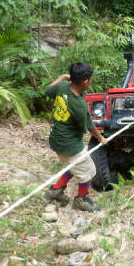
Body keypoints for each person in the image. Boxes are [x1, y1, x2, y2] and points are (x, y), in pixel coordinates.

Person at [44, 62, 108, 212]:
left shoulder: (62, 87)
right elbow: (88, 127)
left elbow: (48, 90)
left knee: (76, 165)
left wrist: (62, 77)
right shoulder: (79, 105)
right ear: (86, 81)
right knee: (89, 171)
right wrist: (100, 138)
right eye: (90, 79)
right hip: (68, 145)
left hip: (56, 139)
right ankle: (81, 200)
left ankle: (55, 191)